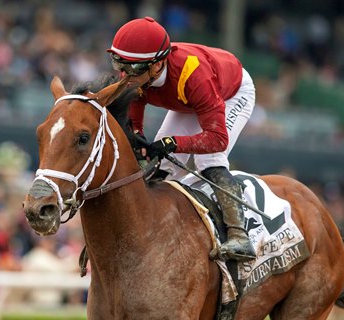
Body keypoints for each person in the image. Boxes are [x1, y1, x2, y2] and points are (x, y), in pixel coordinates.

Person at [107, 17, 256, 262]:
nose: (124, 74)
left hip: (230, 91)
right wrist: (138, 140)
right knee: (163, 165)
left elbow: (217, 139)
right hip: (186, 99)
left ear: (157, 65)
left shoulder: (195, 76)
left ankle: (239, 235)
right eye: (118, 63)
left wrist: (173, 143)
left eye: (132, 68)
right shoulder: (137, 76)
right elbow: (135, 121)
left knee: (208, 160)